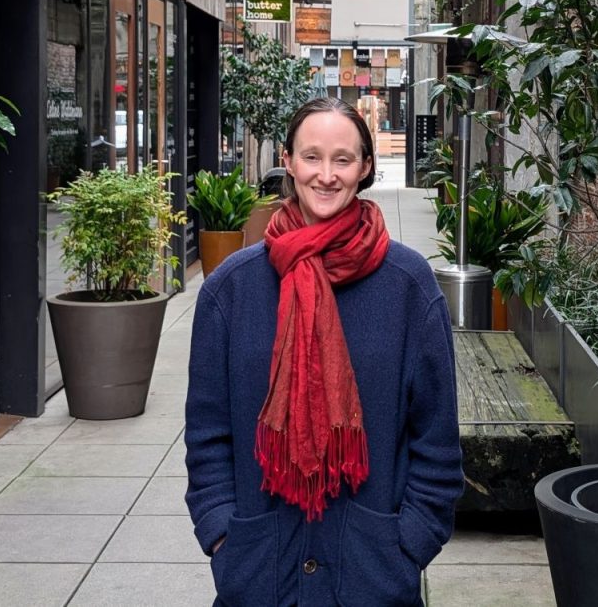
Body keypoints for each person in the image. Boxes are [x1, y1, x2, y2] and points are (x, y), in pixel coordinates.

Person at [185, 97, 464, 607]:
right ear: (287, 162)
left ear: (365, 168)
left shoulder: (408, 287)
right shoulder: (231, 290)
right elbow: (207, 437)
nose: (326, 175)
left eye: (343, 159)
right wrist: (226, 540)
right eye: (311, 157)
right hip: (259, 577)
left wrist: (407, 547)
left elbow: (437, 441)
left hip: (372, 578)